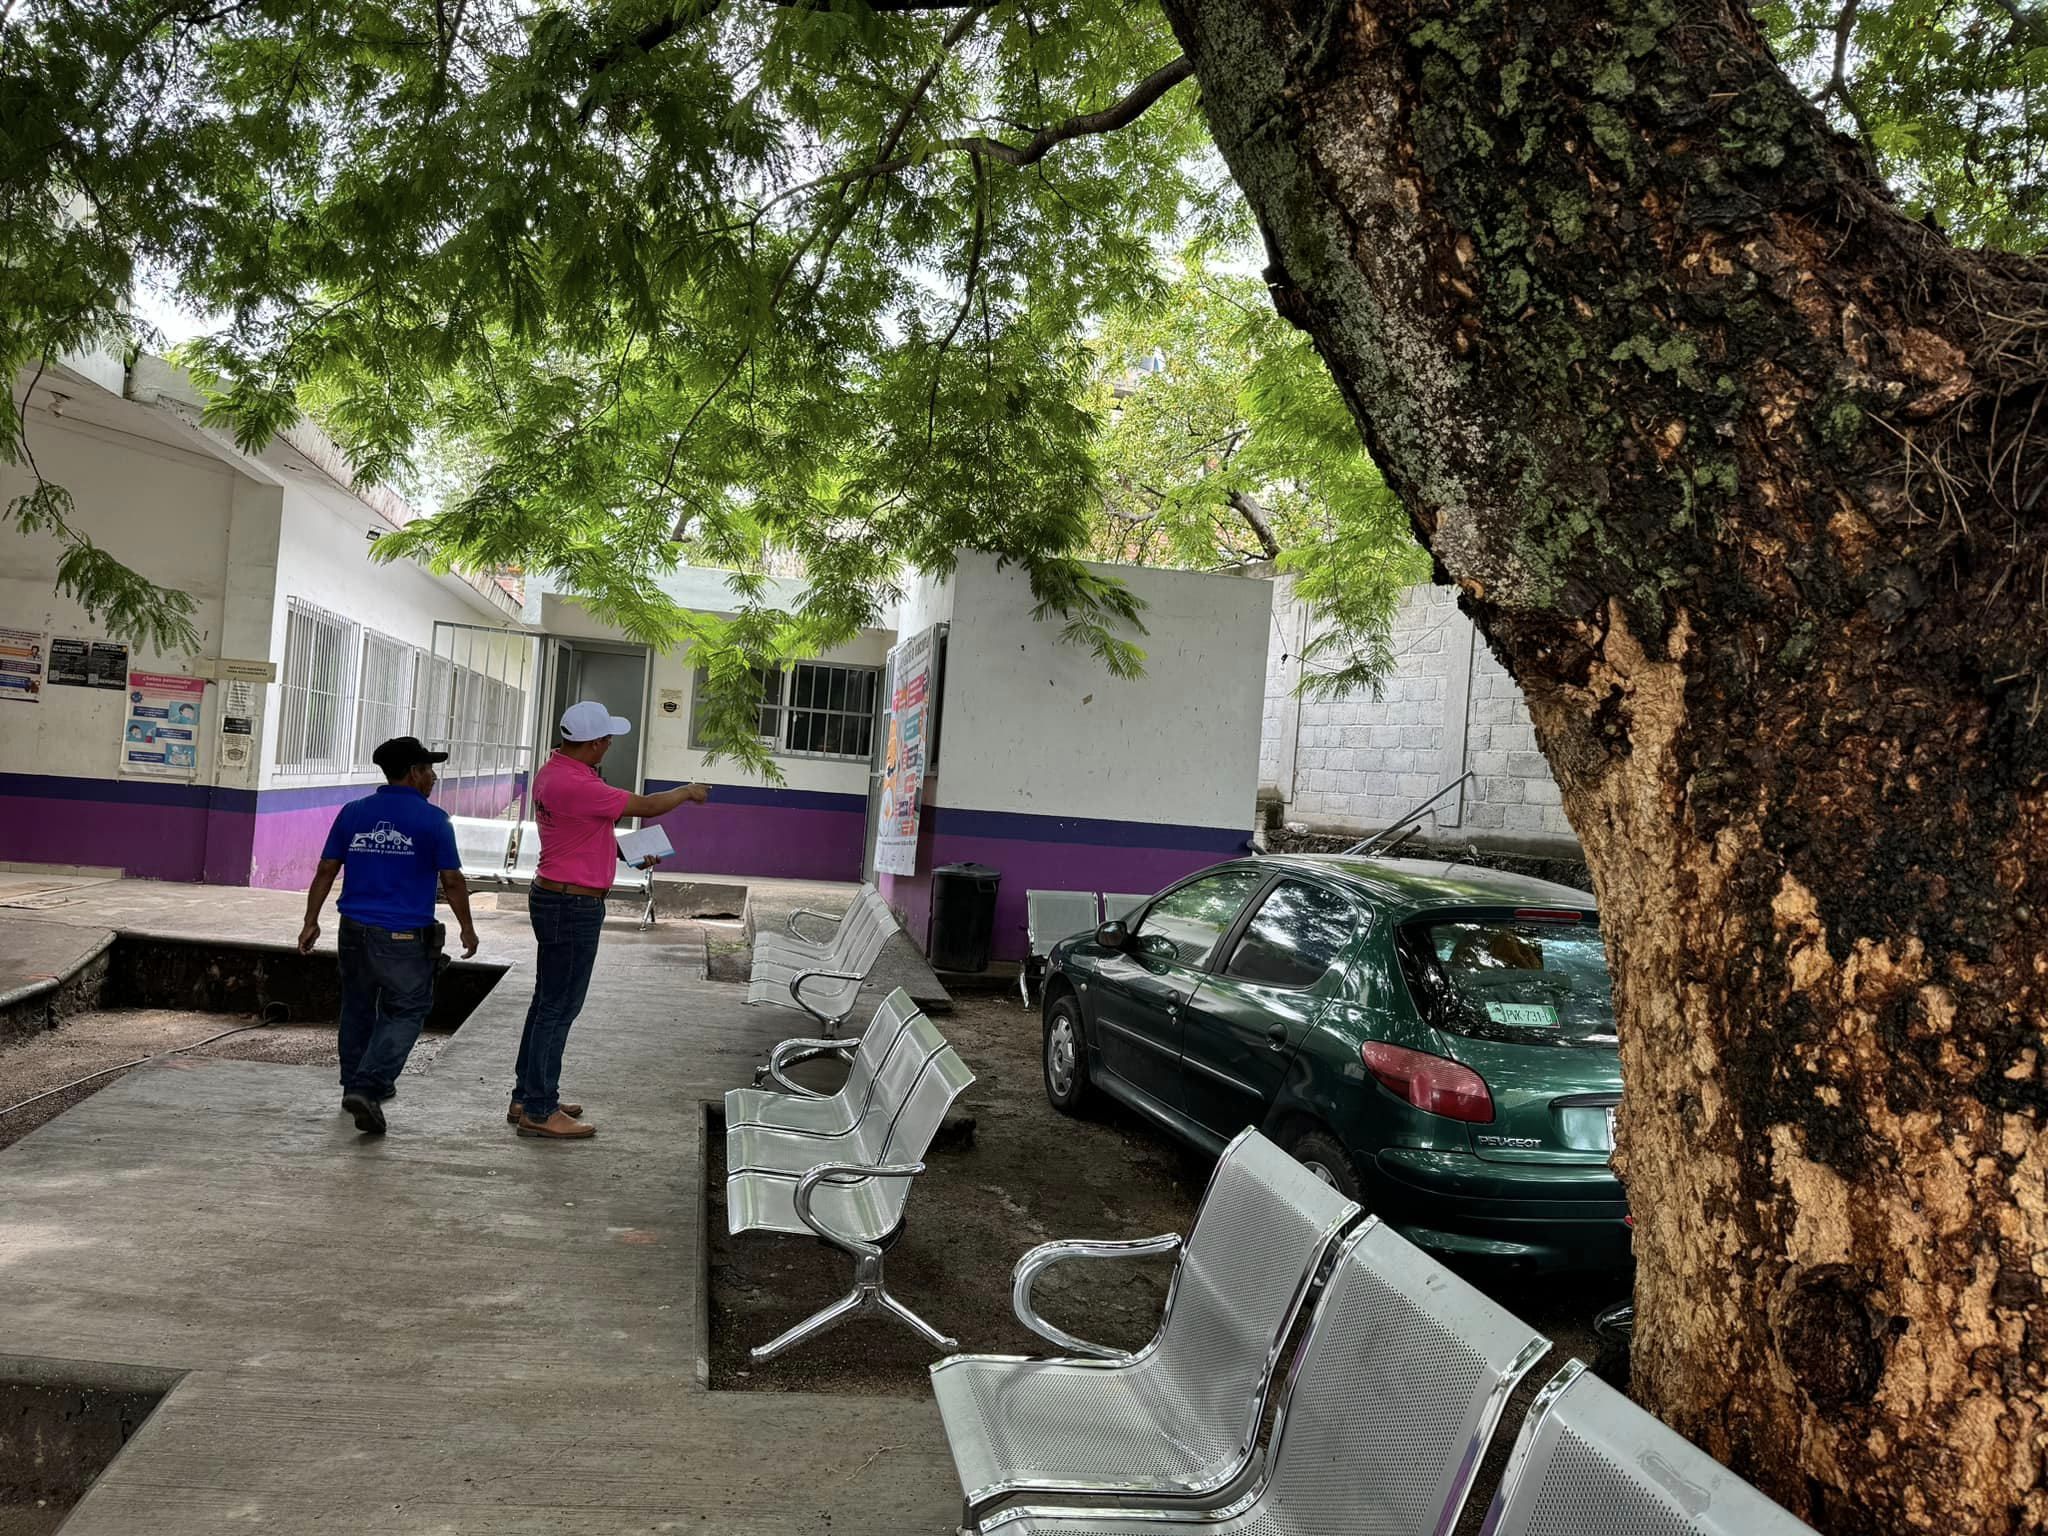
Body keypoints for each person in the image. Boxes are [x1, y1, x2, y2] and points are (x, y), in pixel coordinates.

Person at [512, 700, 709, 1139]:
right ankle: (539, 1110)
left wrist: (623, 851)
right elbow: (647, 805)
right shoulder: (579, 783)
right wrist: (686, 791)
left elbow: (581, 831)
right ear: (596, 743)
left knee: (547, 1002)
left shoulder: (554, 772)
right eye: (607, 739)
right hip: (572, 904)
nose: (609, 746)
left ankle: (527, 1095)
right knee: (559, 1008)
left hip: (556, 894)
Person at [298, 736, 480, 1135]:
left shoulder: (353, 812)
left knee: (358, 1007)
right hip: (403, 936)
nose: (433, 778)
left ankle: (353, 1084)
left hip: (353, 930)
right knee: (407, 1008)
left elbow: (327, 868)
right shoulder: (433, 820)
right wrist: (467, 927)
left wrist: (311, 920)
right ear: (414, 773)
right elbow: (452, 879)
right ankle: (368, 1087)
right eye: (429, 770)